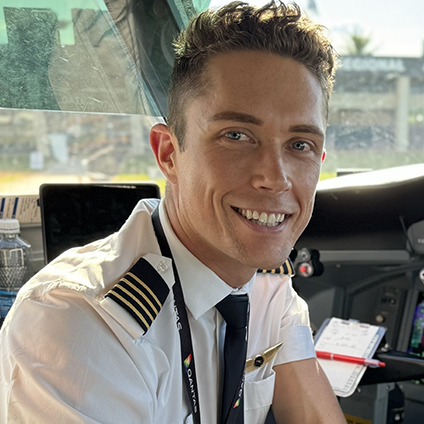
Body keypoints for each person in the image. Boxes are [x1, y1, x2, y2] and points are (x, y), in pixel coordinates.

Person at [0, 1, 346, 423]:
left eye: (299, 145)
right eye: (236, 135)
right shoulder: (78, 320)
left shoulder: (268, 285)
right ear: (169, 153)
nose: (275, 179)